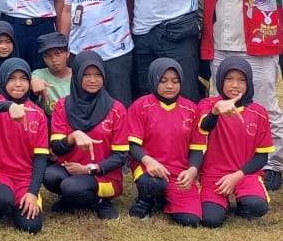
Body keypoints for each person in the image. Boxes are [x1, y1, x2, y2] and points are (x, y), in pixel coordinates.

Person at [201, 0, 283, 190]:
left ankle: (273, 163)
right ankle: (219, 160)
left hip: (258, 40)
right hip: (221, 41)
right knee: (219, 104)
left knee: (263, 105)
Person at [44, 51, 129, 219]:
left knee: (70, 186)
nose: (93, 80)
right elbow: (57, 149)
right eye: (86, 75)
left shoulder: (116, 109)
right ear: (77, 76)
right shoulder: (63, 105)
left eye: (98, 74)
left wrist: (90, 169)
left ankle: (100, 202)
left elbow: (121, 156)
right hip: (70, 168)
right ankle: (70, 199)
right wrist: (72, 136)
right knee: (50, 176)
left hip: (103, 175)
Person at [124, 58, 203, 226]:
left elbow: (197, 148)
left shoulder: (191, 109)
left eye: (175, 81)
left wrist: (192, 171)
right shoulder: (140, 106)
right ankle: (145, 202)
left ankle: (163, 199)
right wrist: (148, 161)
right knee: (152, 183)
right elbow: (132, 145)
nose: (170, 86)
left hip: (178, 172)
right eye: (163, 80)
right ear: (153, 79)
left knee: (191, 220)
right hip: (148, 166)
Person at [196, 57, 272, 227]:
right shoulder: (207, 104)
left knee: (257, 207)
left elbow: (262, 157)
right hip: (213, 176)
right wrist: (215, 112)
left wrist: (236, 177)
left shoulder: (259, 112)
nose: (235, 85)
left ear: (249, 83)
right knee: (210, 220)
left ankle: (241, 203)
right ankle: (220, 204)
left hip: (244, 175)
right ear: (221, 80)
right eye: (229, 79)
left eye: (241, 80)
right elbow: (204, 126)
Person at [0, 58, 49, 233]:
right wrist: (9, 106)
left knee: (31, 227)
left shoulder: (38, 114)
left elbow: (40, 158)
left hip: (24, 178)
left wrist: (32, 192)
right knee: (1, 199)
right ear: (3, 80)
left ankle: (17, 202)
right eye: (12, 78)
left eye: (23, 79)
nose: (18, 84)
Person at [31, 32, 71, 113]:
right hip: (50, 121)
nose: (53, 59)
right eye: (47, 56)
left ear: (68, 53)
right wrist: (33, 82)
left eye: (58, 53)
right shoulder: (39, 75)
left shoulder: (78, 75)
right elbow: (30, 81)